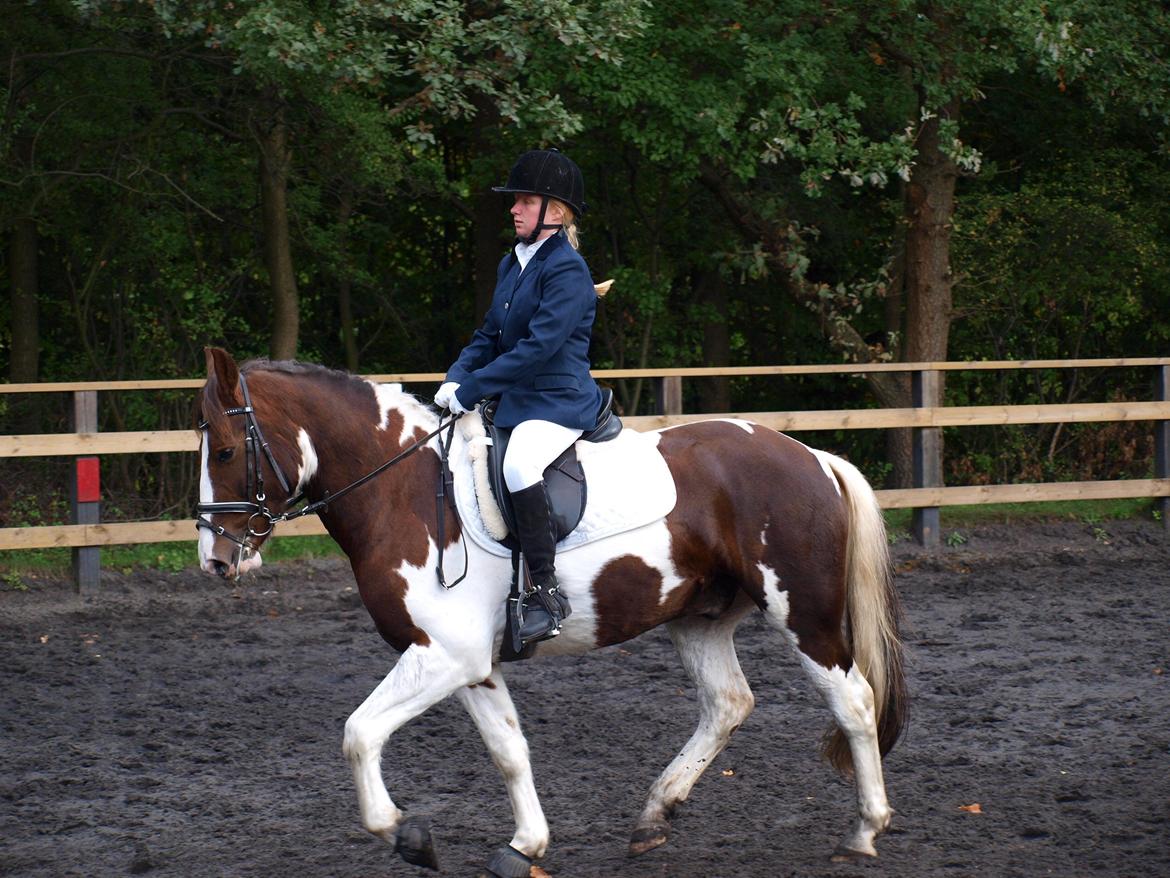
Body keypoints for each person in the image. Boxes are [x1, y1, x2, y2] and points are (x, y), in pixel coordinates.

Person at [434, 148, 604, 645]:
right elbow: (489, 334)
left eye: (525, 202)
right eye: (516, 203)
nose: (513, 209)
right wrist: (456, 377)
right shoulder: (514, 262)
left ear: (554, 211)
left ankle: (547, 593)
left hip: (558, 400)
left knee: (518, 467)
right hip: (517, 401)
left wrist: (474, 388)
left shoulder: (567, 271)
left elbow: (536, 349)